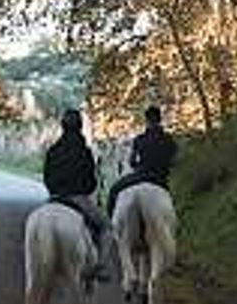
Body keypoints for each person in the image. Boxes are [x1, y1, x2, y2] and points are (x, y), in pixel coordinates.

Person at [42, 108, 112, 280]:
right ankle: (100, 267)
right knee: (106, 227)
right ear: (80, 127)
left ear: (62, 127)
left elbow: (47, 178)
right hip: (78, 199)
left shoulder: (52, 151)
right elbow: (91, 182)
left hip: (55, 199)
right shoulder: (85, 152)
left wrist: (55, 191)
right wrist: (86, 190)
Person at [105, 104, 177, 221]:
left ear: (147, 120)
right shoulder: (168, 139)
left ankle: (111, 226)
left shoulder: (140, 139)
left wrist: (139, 165)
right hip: (160, 179)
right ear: (159, 119)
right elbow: (173, 161)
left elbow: (132, 162)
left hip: (141, 175)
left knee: (114, 190)